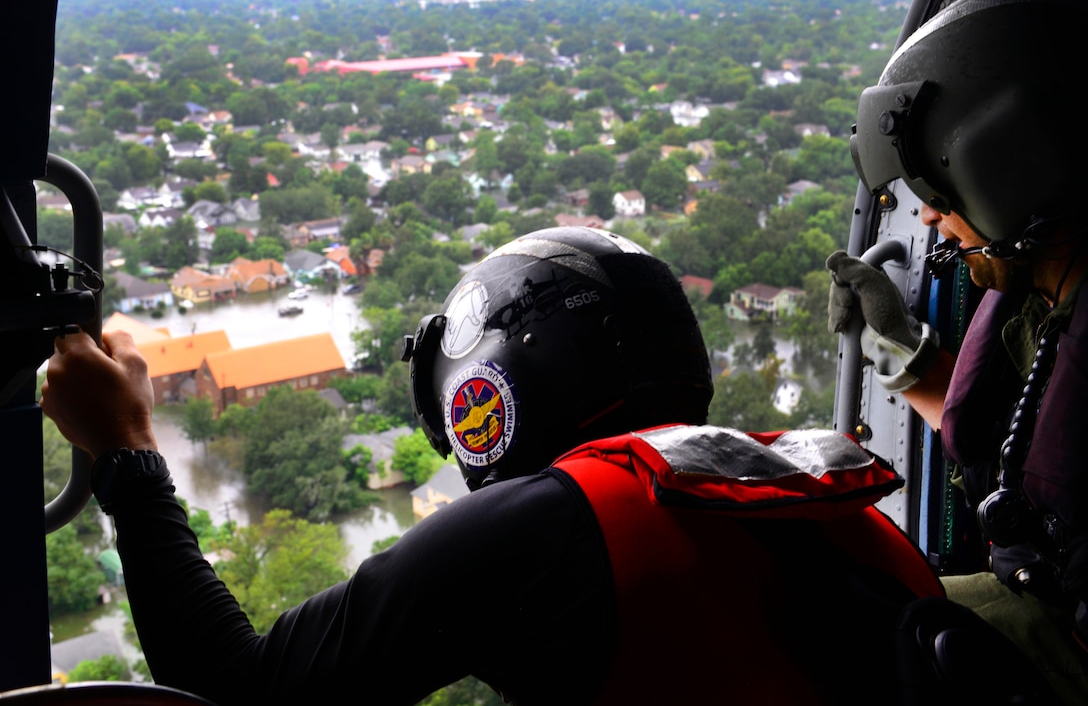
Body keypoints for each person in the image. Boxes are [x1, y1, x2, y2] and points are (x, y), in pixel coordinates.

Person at [41, 226, 943, 705]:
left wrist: (128, 451)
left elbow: (232, 695)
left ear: (495, 379)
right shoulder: (790, 487)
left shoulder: (547, 524)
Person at [826, 0, 1088, 702]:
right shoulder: (1046, 301)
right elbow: (1019, 452)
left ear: (1012, 168)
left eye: (941, 196)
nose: (935, 222)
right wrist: (894, 350)